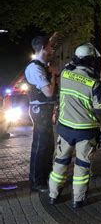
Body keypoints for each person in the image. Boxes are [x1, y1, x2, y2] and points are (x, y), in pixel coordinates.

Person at [48, 43, 101, 208]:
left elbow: (68, 67)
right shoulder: (94, 83)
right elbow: (99, 108)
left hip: (64, 129)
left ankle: (53, 195)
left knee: (60, 162)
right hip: (85, 132)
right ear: (91, 61)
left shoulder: (65, 74)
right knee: (82, 166)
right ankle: (78, 199)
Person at [24, 34, 58, 192]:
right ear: (44, 48)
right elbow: (49, 92)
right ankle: (37, 182)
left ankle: (43, 178)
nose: (52, 48)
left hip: (45, 110)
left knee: (47, 145)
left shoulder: (41, 65)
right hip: (40, 110)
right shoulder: (36, 68)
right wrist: (53, 75)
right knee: (41, 146)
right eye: (50, 46)